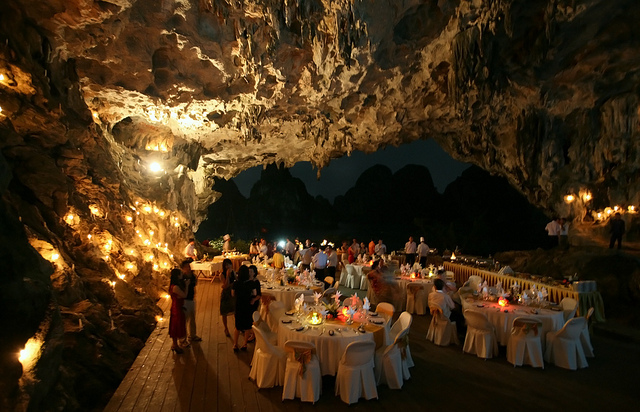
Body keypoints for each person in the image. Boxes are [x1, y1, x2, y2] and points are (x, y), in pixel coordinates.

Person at [232, 266, 260, 351]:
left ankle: (235, 344)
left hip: (239, 305)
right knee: (247, 326)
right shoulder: (251, 283)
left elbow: (233, 294)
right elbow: (255, 293)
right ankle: (244, 344)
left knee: (237, 326)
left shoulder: (236, 283)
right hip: (248, 306)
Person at [181, 261, 201, 343]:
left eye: (189, 266)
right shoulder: (182, 278)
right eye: (186, 267)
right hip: (185, 300)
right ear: (183, 268)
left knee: (192, 318)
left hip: (192, 299)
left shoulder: (192, 276)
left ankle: (192, 335)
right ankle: (183, 338)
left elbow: (194, 285)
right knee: (185, 319)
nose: (188, 268)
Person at [169, 268, 187, 354]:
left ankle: (174, 344)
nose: (182, 275)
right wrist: (187, 285)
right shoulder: (175, 287)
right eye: (180, 274)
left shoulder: (173, 285)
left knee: (175, 325)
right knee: (176, 326)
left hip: (176, 306)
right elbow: (184, 295)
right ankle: (175, 345)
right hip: (177, 308)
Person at [220, 258, 236, 337]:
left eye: (229, 264)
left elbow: (236, 282)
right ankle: (226, 328)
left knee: (235, 310)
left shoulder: (233, 272)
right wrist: (227, 276)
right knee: (224, 312)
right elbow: (226, 285)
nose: (227, 266)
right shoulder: (222, 274)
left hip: (233, 293)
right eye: (226, 265)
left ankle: (237, 327)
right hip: (226, 294)